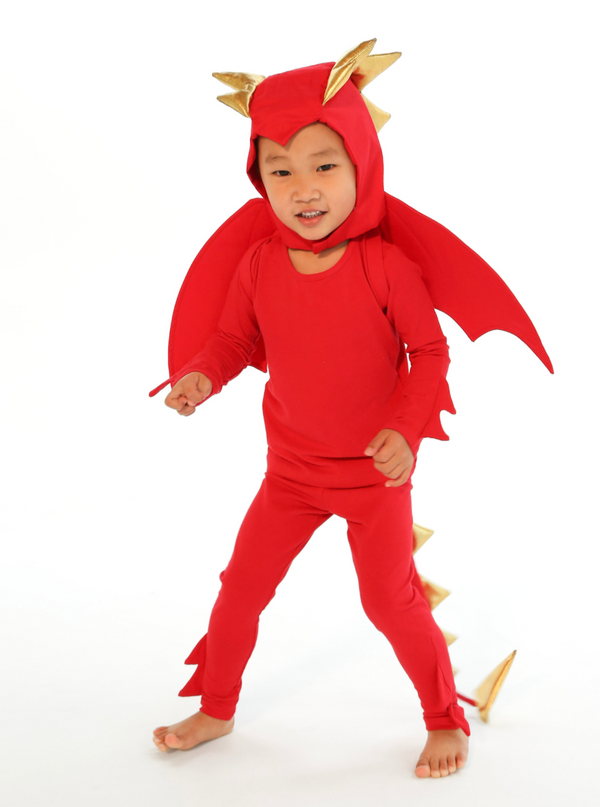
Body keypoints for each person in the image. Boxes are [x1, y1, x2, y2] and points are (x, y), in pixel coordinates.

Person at [151, 41, 552, 778]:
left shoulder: (386, 264)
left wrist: (403, 430)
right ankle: (216, 705)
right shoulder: (259, 262)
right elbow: (236, 337)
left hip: (374, 480)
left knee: (390, 603)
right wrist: (201, 375)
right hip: (291, 474)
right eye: (281, 170)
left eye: (323, 165)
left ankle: (444, 718)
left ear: (362, 165)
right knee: (240, 587)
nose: (302, 189)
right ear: (258, 177)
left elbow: (430, 355)